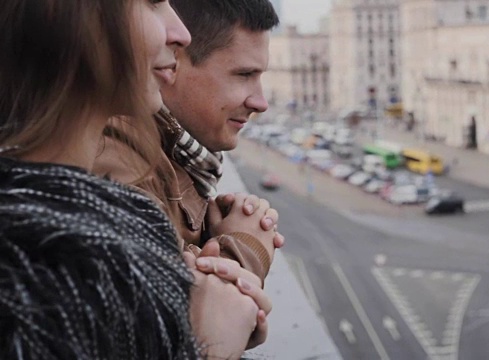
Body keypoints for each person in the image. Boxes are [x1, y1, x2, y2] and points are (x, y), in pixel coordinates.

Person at [0, 1, 264, 359]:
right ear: (69, 15)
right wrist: (210, 345)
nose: (181, 34)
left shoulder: (116, 219)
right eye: (153, 3)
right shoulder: (66, 254)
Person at [92, 0, 283, 352]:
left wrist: (215, 240)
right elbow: (174, 338)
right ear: (171, 62)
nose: (260, 101)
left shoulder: (167, 154)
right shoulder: (122, 173)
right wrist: (246, 250)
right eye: (244, 75)